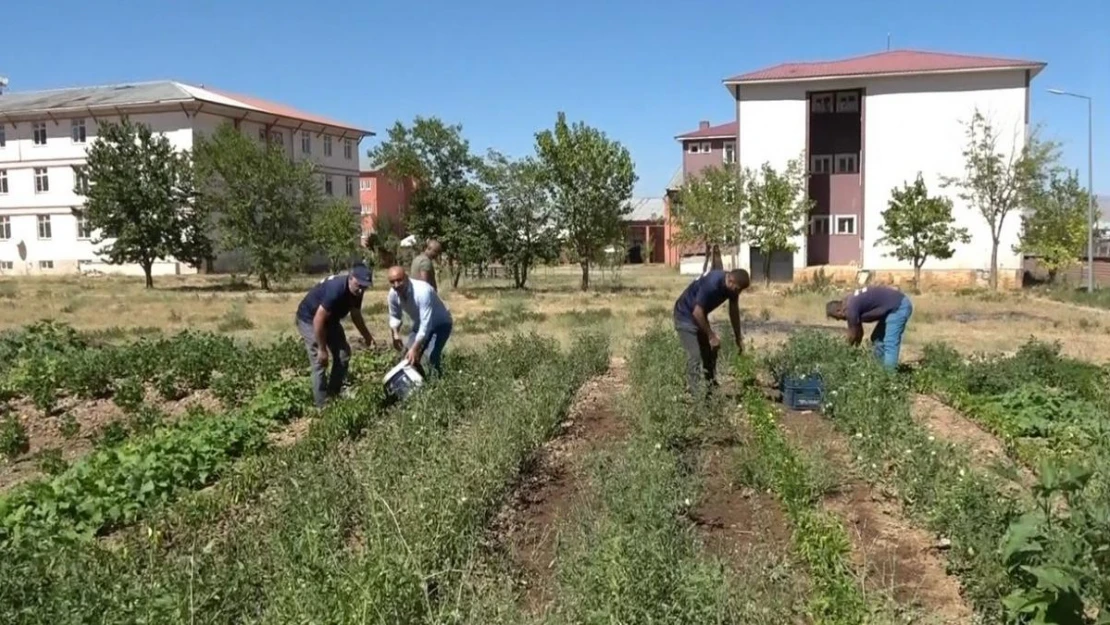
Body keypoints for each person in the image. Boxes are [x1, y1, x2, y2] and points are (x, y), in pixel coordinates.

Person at [295, 264, 377, 407]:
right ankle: (322, 406)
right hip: (310, 319)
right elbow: (318, 319)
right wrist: (322, 349)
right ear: (351, 278)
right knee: (320, 362)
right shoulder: (336, 289)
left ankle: (333, 393)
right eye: (359, 285)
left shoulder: (358, 290)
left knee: (343, 354)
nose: (361, 290)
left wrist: (368, 337)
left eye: (364, 287)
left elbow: (356, 315)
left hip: (330, 320)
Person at [673, 268, 751, 397]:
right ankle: (696, 397)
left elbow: (734, 312)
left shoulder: (732, 289)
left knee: (710, 351)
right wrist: (711, 335)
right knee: (695, 356)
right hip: (684, 315)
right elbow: (697, 312)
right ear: (730, 280)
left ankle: (711, 389)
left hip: (699, 316)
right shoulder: (713, 283)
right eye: (738, 289)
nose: (738, 293)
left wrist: (738, 338)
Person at [825, 284, 913, 370]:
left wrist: (845, 351)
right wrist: (853, 350)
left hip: (898, 307)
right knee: (877, 338)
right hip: (892, 307)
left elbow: (853, 334)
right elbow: (859, 333)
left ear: (838, 311)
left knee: (890, 342)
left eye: (837, 318)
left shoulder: (850, 309)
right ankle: (879, 369)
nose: (839, 320)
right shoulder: (849, 302)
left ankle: (889, 377)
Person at [386, 265, 454, 377]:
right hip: (420, 323)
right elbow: (394, 316)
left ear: (406, 277)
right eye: (392, 282)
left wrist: (415, 348)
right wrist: (395, 334)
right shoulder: (393, 294)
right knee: (408, 357)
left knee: (430, 358)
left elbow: (426, 326)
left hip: (441, 323)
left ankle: (437, 385)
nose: (396, 285)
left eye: (399, 280)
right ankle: (417, 385)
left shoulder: (422, 291)